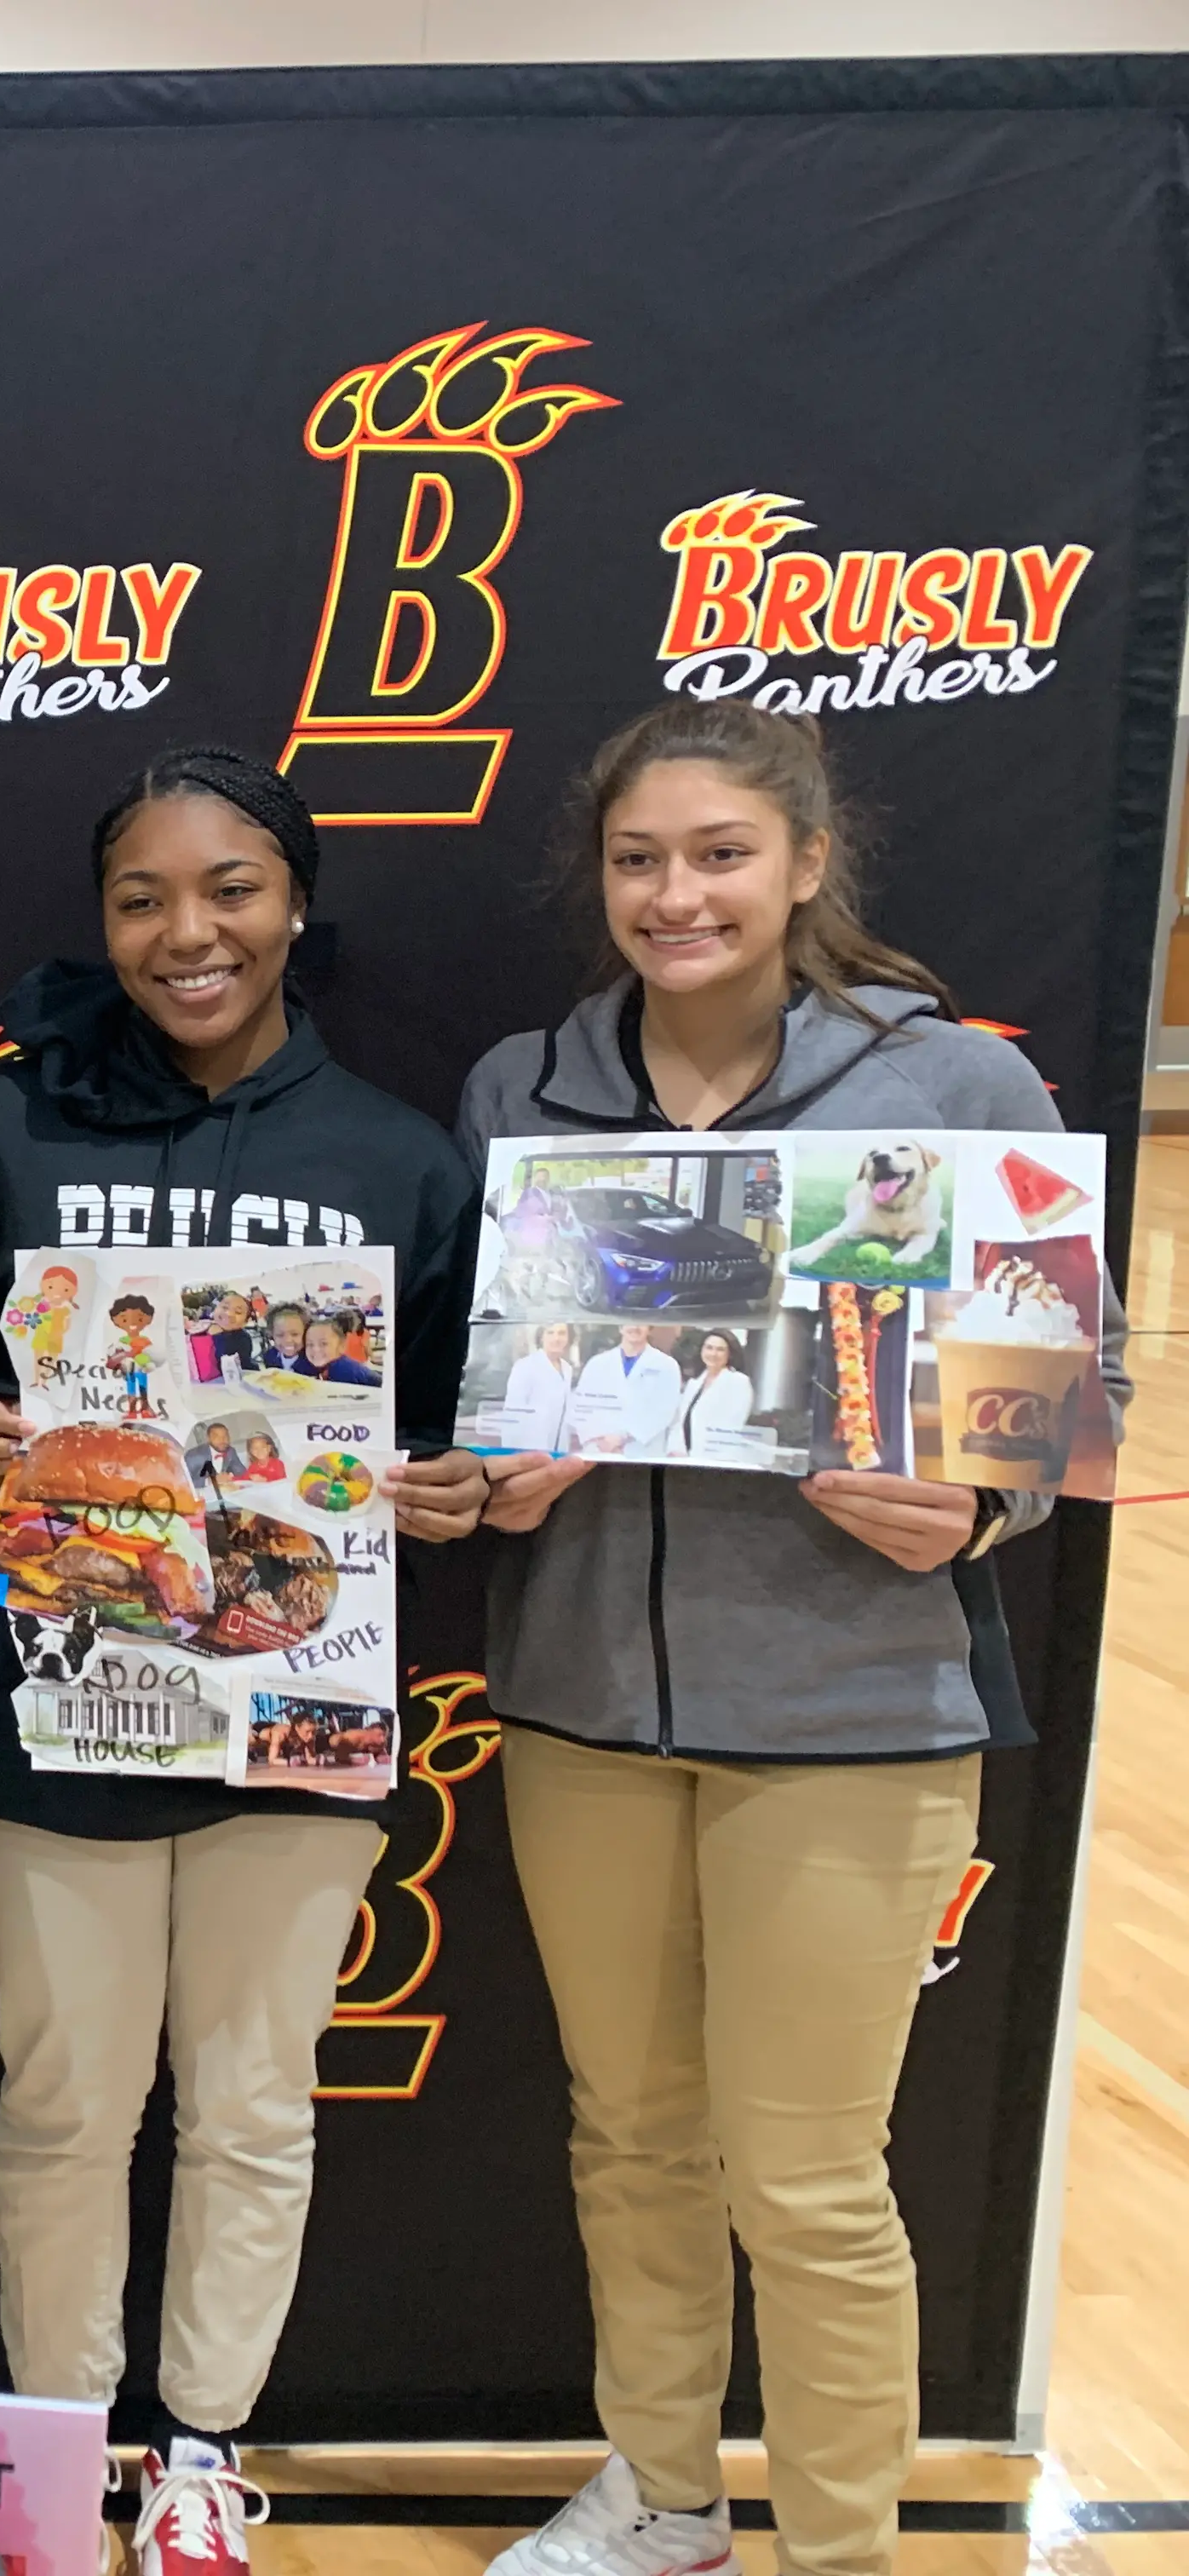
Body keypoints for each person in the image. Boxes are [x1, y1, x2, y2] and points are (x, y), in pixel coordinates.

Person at [466, 702, 1129, 2576]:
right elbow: (470, 1391)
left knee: (816, 2184)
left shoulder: (954, 1093)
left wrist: (979, 1504)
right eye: (640, 860)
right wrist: (491, 1475)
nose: (678, 895)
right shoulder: (532, 1087)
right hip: (583, 1700)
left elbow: (1082, 1387)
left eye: (721, 854)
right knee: (633, 2143)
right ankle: (666, 2496)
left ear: (808, 866)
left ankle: (842, 2550)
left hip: (852, 1706)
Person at [0, 747, 483, 2576]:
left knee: (251, 2102)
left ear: (295, 903)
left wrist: (455, 1483)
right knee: (68, 2103)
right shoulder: (9, 1129)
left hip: (300, 1712)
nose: (190, 932)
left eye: (232, 888)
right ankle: (53, 2450)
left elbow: (476, 1423)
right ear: (103, 921)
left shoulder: (402, 1155)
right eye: (145, 897)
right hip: (68, 1697)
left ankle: (199, 2455)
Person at [573, 1318, 685, 1457]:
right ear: (620, 1327)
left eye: (641, 1322)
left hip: (643, 1450)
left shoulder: (667, 1365)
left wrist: (621, 1437)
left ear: (650, 1327)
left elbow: (665, 1409)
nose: (635, 1327)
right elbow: (583, 1407)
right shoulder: (596, 1364)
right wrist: (601, 1441)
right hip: (601, 1450)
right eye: (629, 1322)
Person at [666, 1325, 756, 1457]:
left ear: (729, 1354)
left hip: (717, 1459)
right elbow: (681, 1420)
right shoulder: (694, 1383)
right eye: (709, 1348)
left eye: (720, 1350)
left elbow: (733, 1425)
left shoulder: (738, 1382)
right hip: (686, 1458)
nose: (713, 1354)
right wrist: (676, 1450)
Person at [498, 1320, 580, 1452]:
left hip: (558, 1446)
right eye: (550, 1333)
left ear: (569, 1337)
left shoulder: (567, 1368)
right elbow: (513, 1413)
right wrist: (511, 1451)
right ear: (541, 1337)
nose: (556, 1338)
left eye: (562, 1333)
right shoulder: (525, 1366)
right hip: (530, 1446)